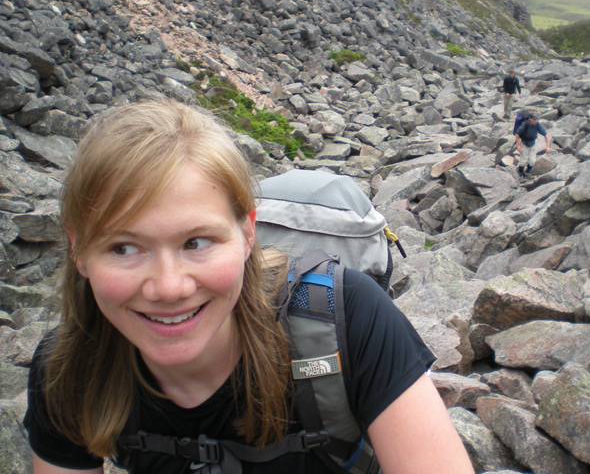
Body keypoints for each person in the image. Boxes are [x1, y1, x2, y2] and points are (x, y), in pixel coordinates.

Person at [24, 100, 474, 474]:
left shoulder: (349, 319)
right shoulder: (69, 370)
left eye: (196, 242)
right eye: (123, 248)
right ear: (78, 250)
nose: (168, 287)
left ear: (247, 235)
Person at [514, 110, 550, 178]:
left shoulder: (537, 124)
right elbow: (517, 134)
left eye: (536, 119)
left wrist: (547, 146)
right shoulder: (525, 124)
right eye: (534, 119)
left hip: (533, 143)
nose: (535, 120)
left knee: (532, 161)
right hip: (524, 143)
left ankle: (528, 172)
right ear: (530, 119)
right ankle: (520, 172)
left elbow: (545, 134)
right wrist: (518, 145)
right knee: (523, 161)